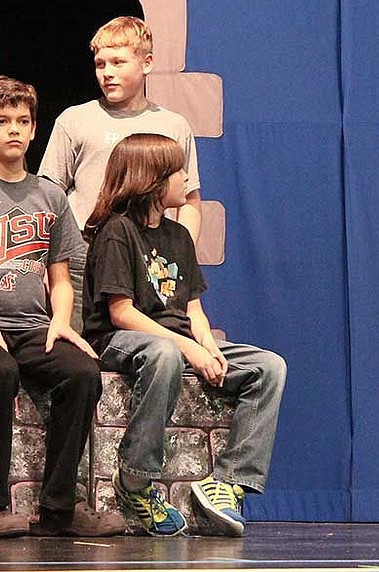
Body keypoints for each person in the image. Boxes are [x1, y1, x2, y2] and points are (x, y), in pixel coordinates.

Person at [0, 77, 126, 538]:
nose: (14, 129)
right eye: (2, 121)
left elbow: (61, 275)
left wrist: (61, 322)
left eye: (23, 121)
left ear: (34, 130)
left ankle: (59, 509)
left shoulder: (49, 196)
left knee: (82, 373)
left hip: (33, 325)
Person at [82, 134, 286, 537]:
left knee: (268, 367)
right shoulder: (117, 232)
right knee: (163, 354)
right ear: (152, 180)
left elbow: (192, 309)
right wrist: (188, 347)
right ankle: (136, 478)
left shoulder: (178, 237)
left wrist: (208, 345)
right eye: (177, 171)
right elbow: (122, 313)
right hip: (122, 339)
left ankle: (227, 480)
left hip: (176, 337)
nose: (185, 179)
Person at [39, 16, 202, 331]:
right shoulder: (75, 120)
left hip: (151, 265)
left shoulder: (172, 125)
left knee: (152, 349)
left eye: (118, 62)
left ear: (147, 63)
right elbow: (48, 197)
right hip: (82, 261)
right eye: (100, 64)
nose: (107, 73)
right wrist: (53, 264)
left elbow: (190, 201)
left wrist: (181, 256)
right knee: (84, 357)